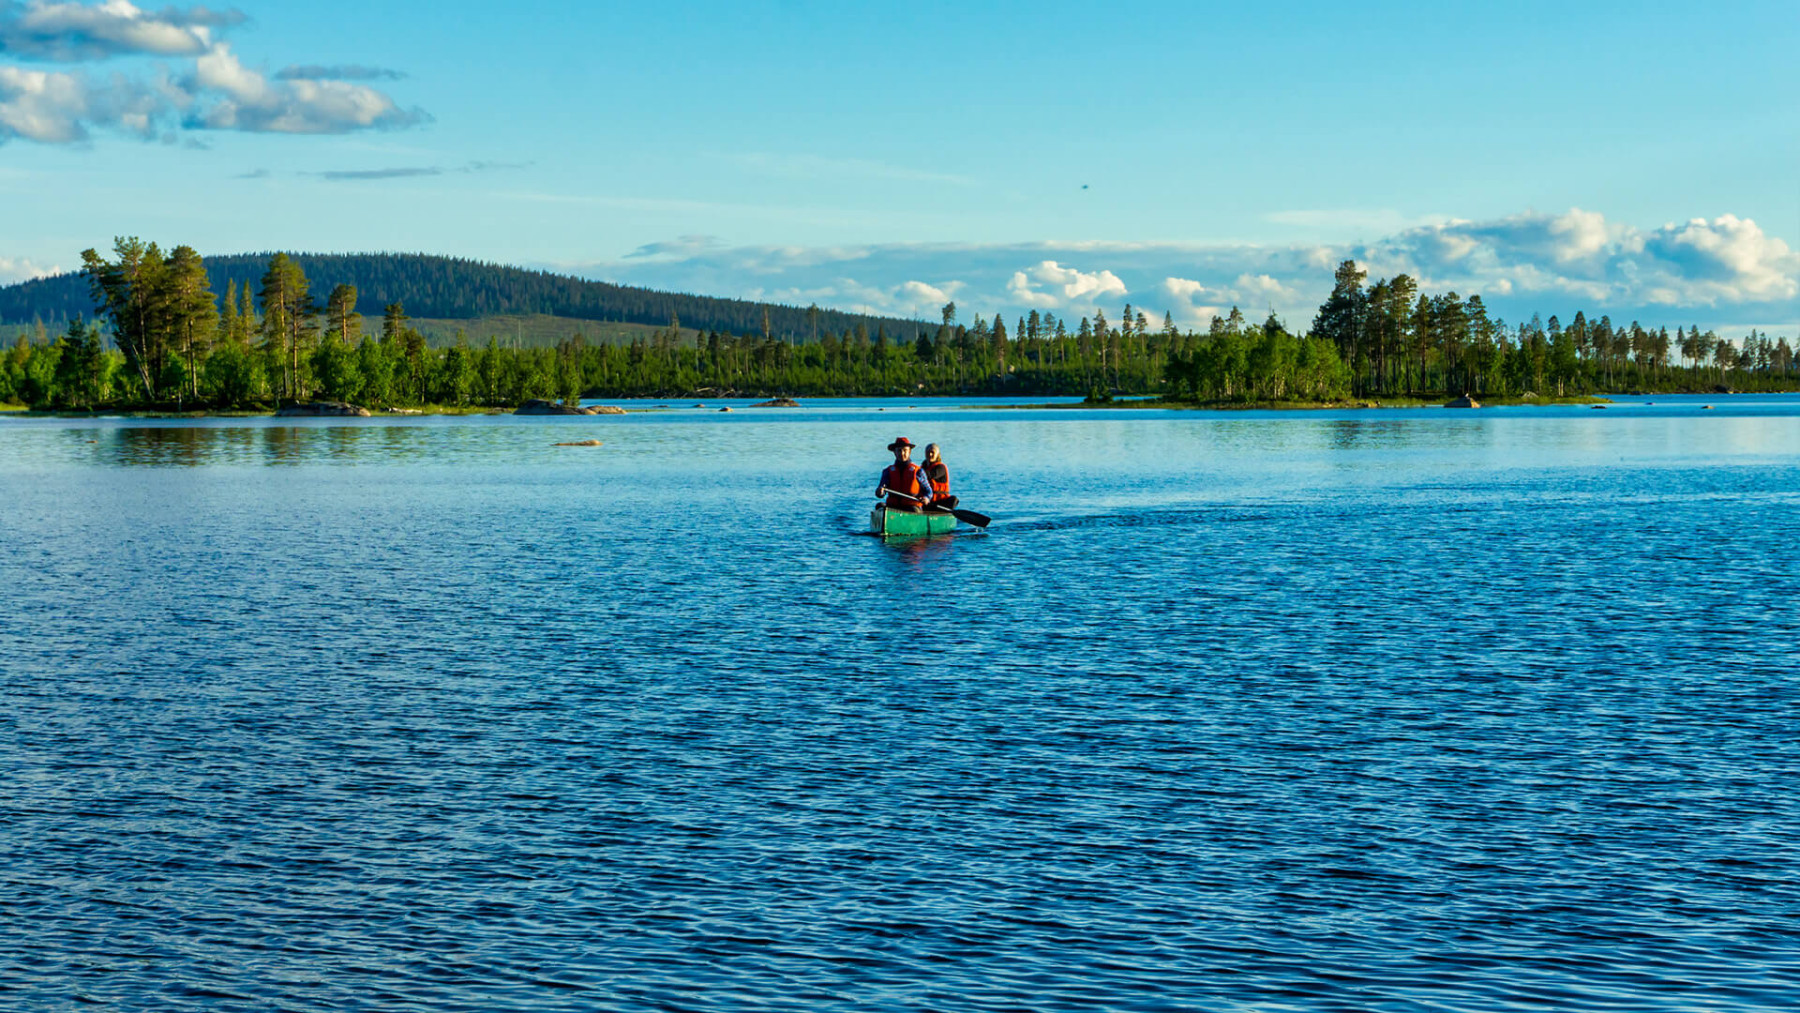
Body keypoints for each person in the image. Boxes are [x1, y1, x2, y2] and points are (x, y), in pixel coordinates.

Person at [876, 437, 926, 511]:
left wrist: (926, 498)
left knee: (914, 510)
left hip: (911, 506)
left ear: (909, 452)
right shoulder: (887, 471)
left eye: (905, 450)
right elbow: (880, 492)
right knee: (879, 506)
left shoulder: (918, 471)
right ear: (895, 453)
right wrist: (880, 492)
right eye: (899, 450)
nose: (902, 453)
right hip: (893, 506)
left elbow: (928, 491)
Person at [920, 443, 958, 510]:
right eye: (928, 452)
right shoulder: (922, 467)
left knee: (953, 499)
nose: (930, 454)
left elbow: (929, 475)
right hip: (926, 501)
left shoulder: (941, 468)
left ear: (937, 454)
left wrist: (914, 470)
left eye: (932, 452)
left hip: (940, 502)